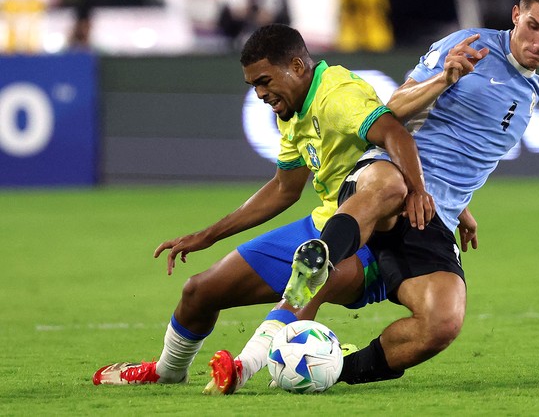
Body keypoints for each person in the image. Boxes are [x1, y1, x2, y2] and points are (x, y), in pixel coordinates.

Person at [205, 0, 539, 390]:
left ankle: (332, 370)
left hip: (433, 214)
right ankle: (320, 255)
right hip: (385, 178)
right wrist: (445, 77)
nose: (538, 42)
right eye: (532, 26)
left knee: (442, 322)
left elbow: (460, 155)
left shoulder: (530, 90)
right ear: (516, 14)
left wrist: (461, 207)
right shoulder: (470, 48)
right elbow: (394, 109)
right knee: (388, 190)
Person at [92, 23, 433, 388]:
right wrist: (208, 236)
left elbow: (394, 131)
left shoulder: (338, 95)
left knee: (307, 287)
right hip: (321, 224)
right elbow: (284, 189)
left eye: (265, 81)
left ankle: (243, 367)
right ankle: (167, 371)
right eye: (253, 84)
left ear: (298, 67)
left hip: (366, 239)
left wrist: (417, 191)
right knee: (199, 291)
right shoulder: (293, 110)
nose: (259, 93)